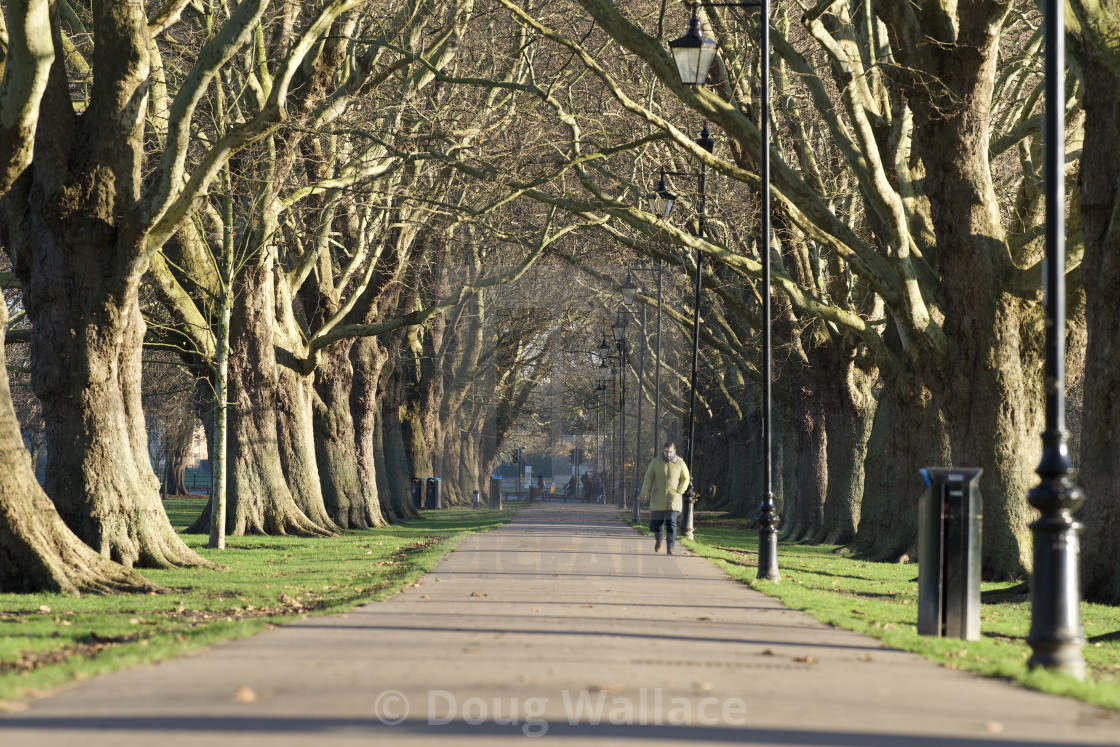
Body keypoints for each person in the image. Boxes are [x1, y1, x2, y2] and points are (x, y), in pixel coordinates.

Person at [638, 440, 690, 554]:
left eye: (671, 452)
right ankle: (659, 540)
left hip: (673, 497)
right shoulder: (656, 462)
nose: (669, 454)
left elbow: (685, 478)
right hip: (658, 496)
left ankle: (670, 547)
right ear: (663, 451)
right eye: (666, 452)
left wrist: (680, 490)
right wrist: (644, 492)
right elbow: (648, 478)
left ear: (674, 451)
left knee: (671, 522)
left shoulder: (680, 462)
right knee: (658, 523)